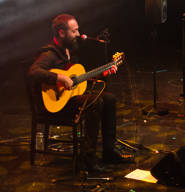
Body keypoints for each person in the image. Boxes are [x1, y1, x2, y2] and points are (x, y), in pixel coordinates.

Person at [27, 13, 131, 172]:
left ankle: (109, 151)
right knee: (95, 102)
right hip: (53, 106)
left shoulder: (69, 51)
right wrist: (59, 77)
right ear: (62, 33)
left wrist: (104, 73)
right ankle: (88, 159)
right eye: (74, 31)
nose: (78, 34)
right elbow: (33, 72)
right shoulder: (49, 54)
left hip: (68, 99)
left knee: (109, 98)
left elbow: (77, 80)